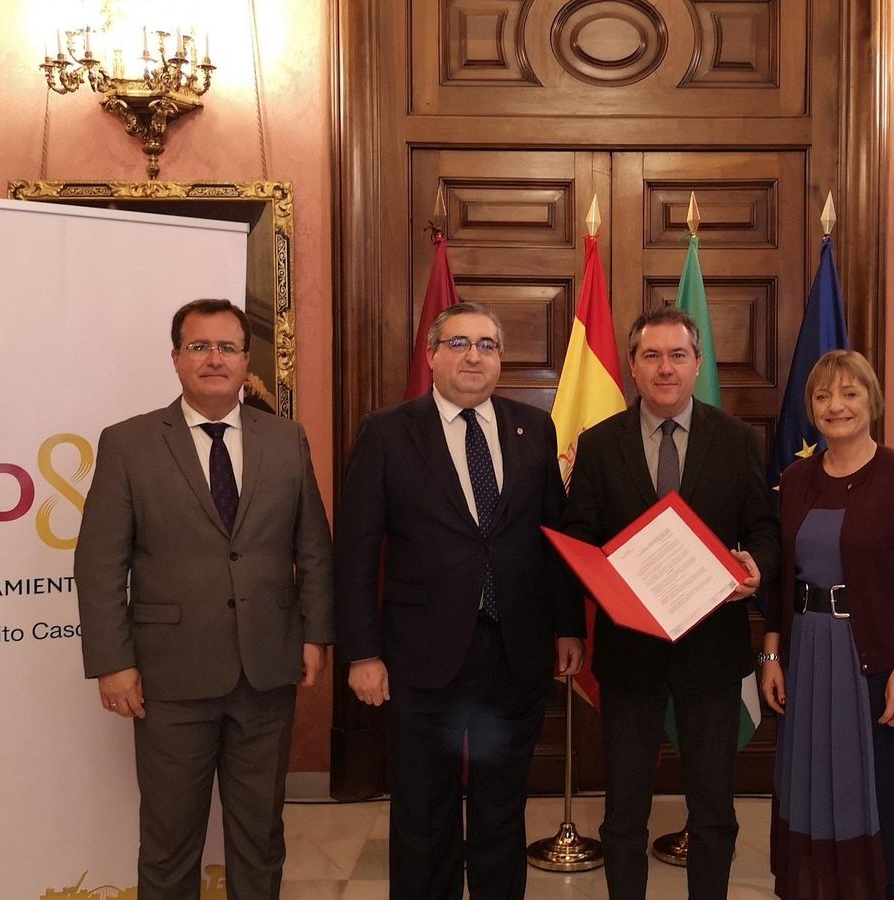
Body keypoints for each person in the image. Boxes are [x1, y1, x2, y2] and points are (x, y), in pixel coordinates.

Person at [75, 298, 335, 900]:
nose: (214, 359)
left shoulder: (285, 439)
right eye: (199, 346)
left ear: (248, 361)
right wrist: (113, 661)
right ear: (175, 359)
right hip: (169, 678)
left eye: (227, 348)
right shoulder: (129, 443)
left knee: (261, 834)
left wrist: (316, 634)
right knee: (169, 841)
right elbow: (99, 563)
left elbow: (314, 546)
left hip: (266, 670)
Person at [335, 302, 585, 900]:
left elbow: (557, 538)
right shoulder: (388, 431)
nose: (473, 355)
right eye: (458, 343)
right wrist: (361, 652)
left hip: (514, 653)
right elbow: (355, 551)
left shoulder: (534, 428)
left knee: (503, 809)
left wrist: (568, 627)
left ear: (500, 358)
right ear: (431, 355)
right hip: (420, 658)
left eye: (486, 345)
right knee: (424, 813)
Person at [563, 305, 779, 900]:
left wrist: (755, 566)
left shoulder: (735, 440)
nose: (665, 368)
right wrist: (599, 579)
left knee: (713, 807)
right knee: (624, 809)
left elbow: (763, 528)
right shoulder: (599, 445)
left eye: (677, 355)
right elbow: (578, 534)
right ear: (632, 366)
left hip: (711, 653)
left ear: (698, 363)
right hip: (630, 654)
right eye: (651, 356)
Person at [759, 349, 894, 900]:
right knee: (811, 787)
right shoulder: (795, 479)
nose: (835, 406)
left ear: (872, 400)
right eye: (822, 396)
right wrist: (772, 656)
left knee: (870, 789)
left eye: (849, 393)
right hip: (807, 657)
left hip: (871, 660)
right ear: (810, 408)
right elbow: (782, 580)